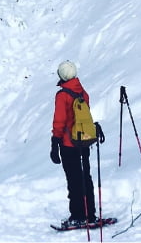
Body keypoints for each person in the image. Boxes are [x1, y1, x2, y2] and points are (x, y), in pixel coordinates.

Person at [50, 60, 104, 227]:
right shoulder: (82, 92)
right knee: (85, 177)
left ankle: (77, 215)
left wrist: (55, 143)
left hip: (68, 143)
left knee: (73, 179)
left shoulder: (63, 95)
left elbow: (59, 121)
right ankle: (90, 213)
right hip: (84, 141)